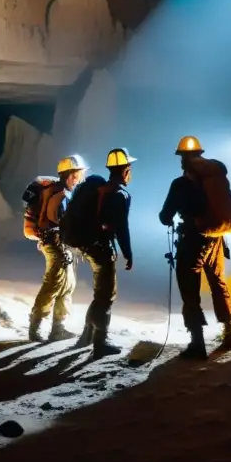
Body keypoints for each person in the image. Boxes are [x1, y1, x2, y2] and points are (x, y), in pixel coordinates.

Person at [159, 136, 231, 360]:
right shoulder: (214, 178)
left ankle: (198, 342)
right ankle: (229, 333)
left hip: (192, 240)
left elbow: (165, 217)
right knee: (218, 283)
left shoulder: (180, 184)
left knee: (189, 290)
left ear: (182, 160)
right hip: (216, 239)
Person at [75, 147, 135, 357]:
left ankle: (86, 335)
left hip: (89, 246)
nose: (130, 173)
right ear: (125, 170)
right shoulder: (120, 194)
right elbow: (121, 228)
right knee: (107, 295)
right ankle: (100, 342)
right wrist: (127, 253)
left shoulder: (99, 189)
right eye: (129, 169)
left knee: (99, 291)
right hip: (102, 248)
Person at [27, 155, 88, 342]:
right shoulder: (59, 194)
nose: (80, 178)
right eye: (78, 174)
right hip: (55, 246)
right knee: (53, 285)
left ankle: (58, 328)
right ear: (70, 175)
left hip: (60, 246)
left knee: (67, 284)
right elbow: (54, 225)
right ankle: (35, 327)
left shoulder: (62, 192)